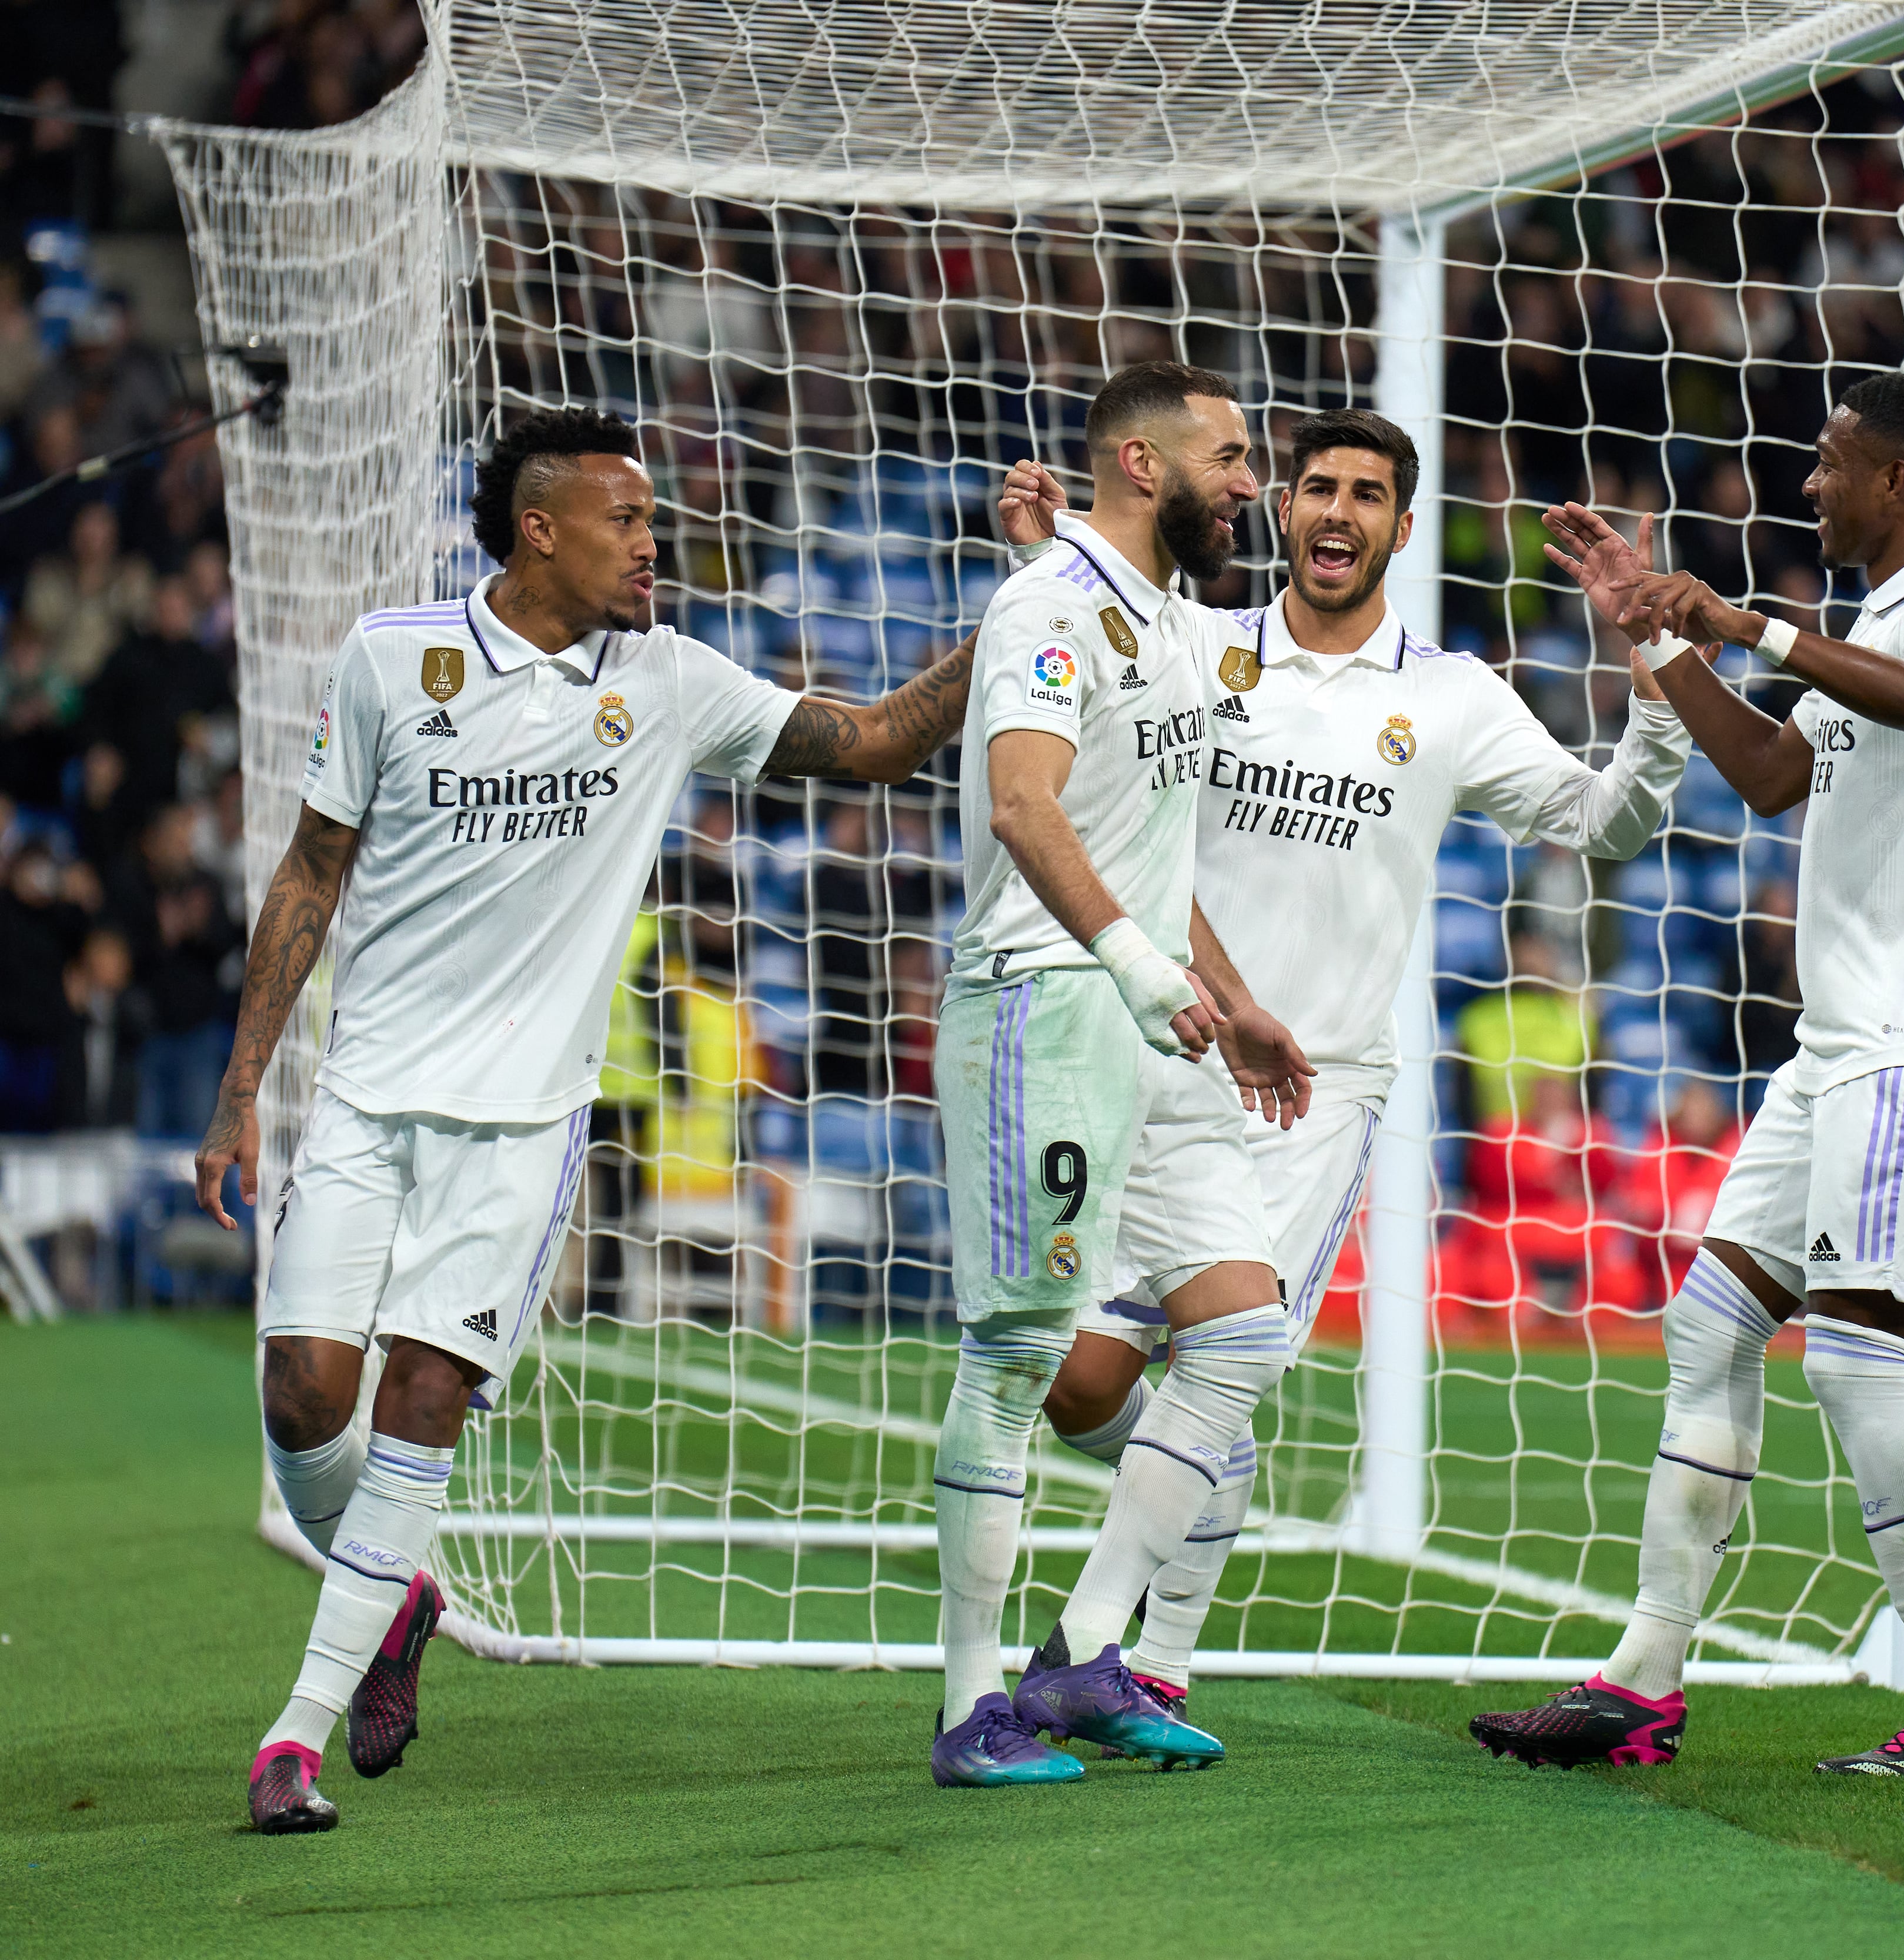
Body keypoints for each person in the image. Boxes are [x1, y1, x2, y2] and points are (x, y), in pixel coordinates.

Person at [195, 405, 981, 1834]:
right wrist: (244, 1086)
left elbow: (870, 743)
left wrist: (1021, 617)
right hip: (368, 1096)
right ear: (538, 526)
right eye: (623, 517)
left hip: (527, 1119)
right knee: (306, 1396)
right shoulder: (395, 659)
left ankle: (291, 1740)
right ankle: (396, 1591)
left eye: (651, 516)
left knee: (423, 1396)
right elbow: (312, 871)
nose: (651, 539)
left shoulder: (668, 680)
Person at [993, 405, 1688, 1719]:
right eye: (1316, 487)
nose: (1336, 512)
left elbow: (1611, 823)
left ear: (1400, 527)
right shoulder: (1198, 647)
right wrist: (1043, 561)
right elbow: (1072, 735)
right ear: (1286, 508)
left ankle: (1117, 1655)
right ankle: (1169, 1565)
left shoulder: (1452, 695)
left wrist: (1646, 656)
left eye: (1367, 495)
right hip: (1160, 1049)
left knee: (1230, 1352)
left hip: (1317, 1091)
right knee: (1089, 1383)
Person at [1471, 369, 1904, 1776]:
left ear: (1898, 480)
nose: (1809, 486)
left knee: (1850, 1358)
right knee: (1710, 1329)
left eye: (1831, 465)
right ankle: (1641, 1681)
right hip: (1837, 1050)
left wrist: (1748, 619)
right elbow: (1781, 775)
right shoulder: (1875, 620)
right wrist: (1664, 648)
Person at [924, 361, 1312, 1790]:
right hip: (1053, 1008)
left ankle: (1084, 1650)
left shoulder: (1175, 617)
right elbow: (1023, 807)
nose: (1250, 480)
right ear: (1145, 467)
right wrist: (1146, 977)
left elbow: (1151, 842)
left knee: (1241, 1331)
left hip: (1161, 1019)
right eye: (1231, 455)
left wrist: (1226, 995)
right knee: (1021, 1355)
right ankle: (972, 1708)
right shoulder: (1042, 605)